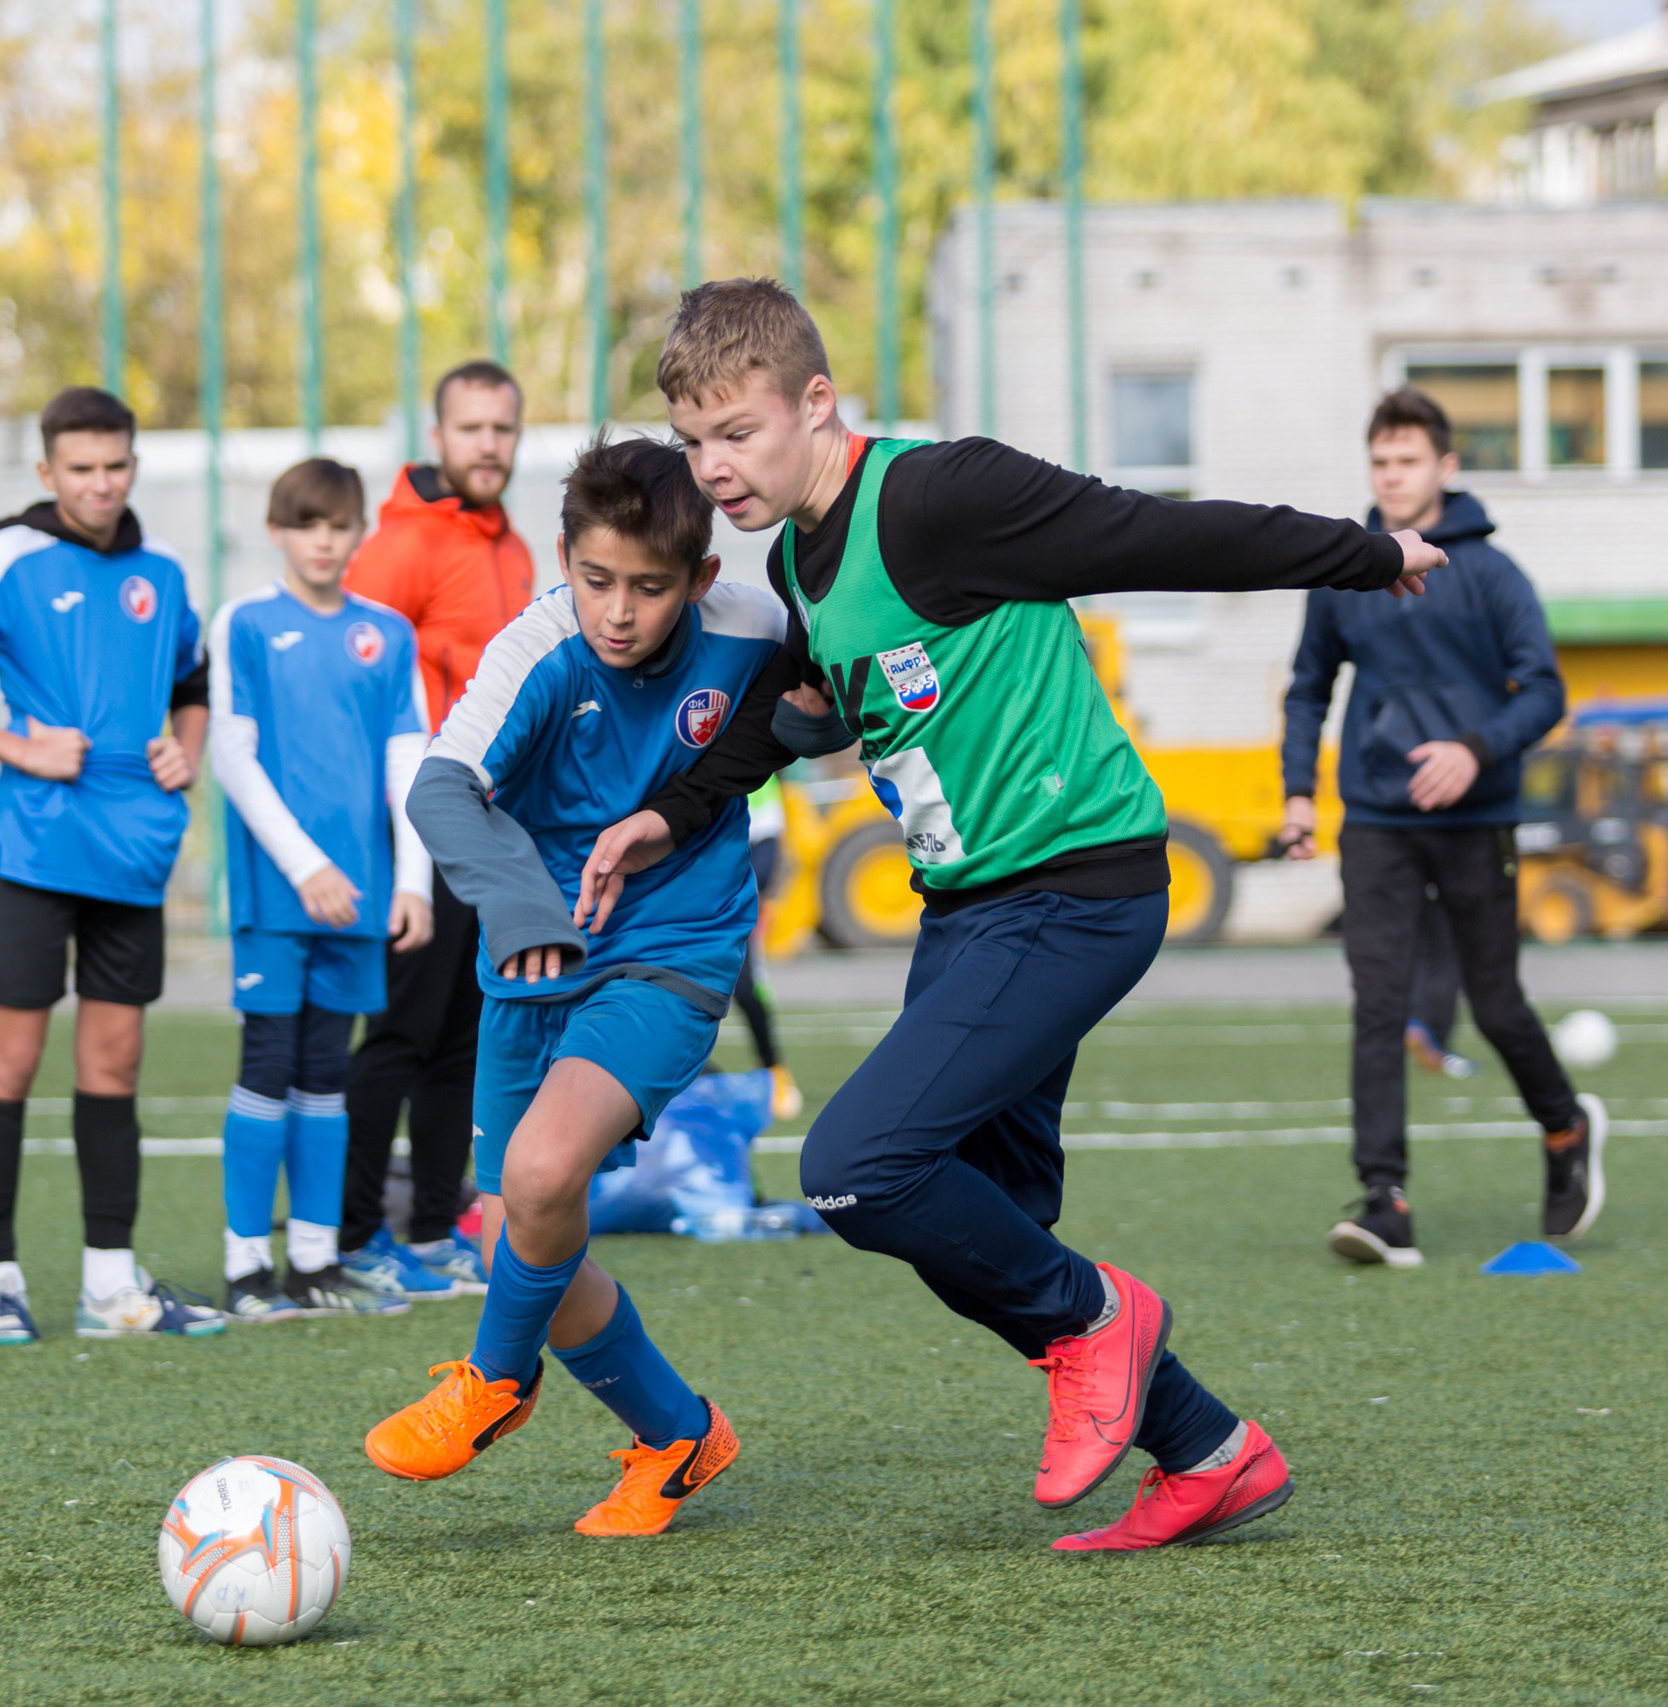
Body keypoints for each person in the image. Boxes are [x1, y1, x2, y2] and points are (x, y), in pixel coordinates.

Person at [574, 278, 1446, 1552]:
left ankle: (1102, 1315)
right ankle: (1207, 1452)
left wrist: (1363, 554)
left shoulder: (940, 495)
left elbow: (1155, 535)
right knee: (978, 1227)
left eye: (739, 433)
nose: (712, 467)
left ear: (816, 402)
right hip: (966, 916)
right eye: (694, 440)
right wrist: (671, 811)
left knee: (856, 1168)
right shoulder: (793, 560)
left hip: (1076, 891)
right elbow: (786, 705)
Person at [361, 435, 785, 1537]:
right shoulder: (537, 648)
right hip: (532, 958)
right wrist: (521, 910)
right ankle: (680, 1434)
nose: (618, 613)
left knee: (544, 1174)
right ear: (564, 560)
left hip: (673, 950)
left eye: (649, 589)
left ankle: (492, 1384)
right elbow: (441, 788)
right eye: (596, 581)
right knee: (523, 1239)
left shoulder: (752, 625)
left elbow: (824, 693)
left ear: (699, 579)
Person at [0, 386, 226, 1346]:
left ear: (132, 466)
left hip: (137, 856)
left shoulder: (162, 573)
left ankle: (111, 1286)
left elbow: (192, 684)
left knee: (114, 1064)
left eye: (115, 465)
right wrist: (18, 748)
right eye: (80, 468)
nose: (100, 483)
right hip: (36, 851)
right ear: (47, 473)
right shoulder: (6, 559)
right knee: (12, 1061)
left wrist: (184, 749)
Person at [1280, 387, 1607, 1268]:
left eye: (1408, 461)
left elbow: (1544, 691)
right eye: (1381, 462)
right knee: (1380, 1004)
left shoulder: (1493, 575)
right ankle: (1384, 1200)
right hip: (1376, 822)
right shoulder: (1346, 571)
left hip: (1479, 819)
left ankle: (1566, 1130)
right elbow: (1310, 685)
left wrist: (1474, 748)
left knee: (1496, 1004)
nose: (1392, 477)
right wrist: (1299, 793)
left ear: (1445, 469)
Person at [205, 459, 435, 1322]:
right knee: (267, 1066)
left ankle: (311, 1261)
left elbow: (407, 758)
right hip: (280, 894)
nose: (323, 540)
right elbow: (232, 754)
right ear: (276, 530)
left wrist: (412, 880)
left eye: (337, 524)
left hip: (361, 898)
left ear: (358, 531)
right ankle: (242, 1269)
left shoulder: (387, 633)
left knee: (326, 1075)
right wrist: (305, 865)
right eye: (305, 524)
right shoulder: (246, 623)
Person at [334, 360, 536, 1302]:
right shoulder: (396, 547)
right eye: (471, 429)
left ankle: (425, 1233)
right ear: (438, 434)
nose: (487, 445)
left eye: (502, 428)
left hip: (493, 827)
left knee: (463, 1036)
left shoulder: (517, 548)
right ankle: (355, 1230)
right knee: (400, 1035)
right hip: (415, 829)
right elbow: (358, 690)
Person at [731, 777, 804, 1118]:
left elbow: (769, 847)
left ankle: (774, 1073)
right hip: (690, 898)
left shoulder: (757, 771)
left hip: (732, 902)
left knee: (746, 990)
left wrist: (740, 893)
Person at [1404, 892, 1477, 1080]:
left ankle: (1415, 1023)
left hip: (1407, 883)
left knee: (1421, 951)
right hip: (1442, 881)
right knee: (1447, 954)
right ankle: (1433, 1037)